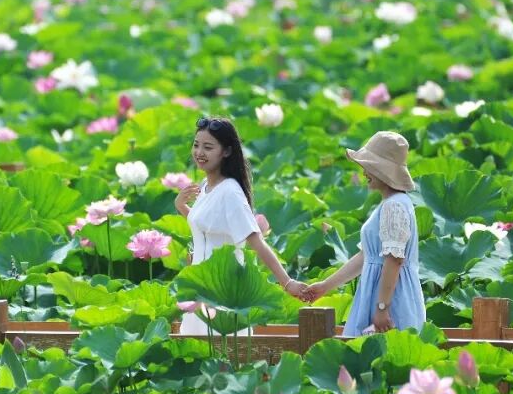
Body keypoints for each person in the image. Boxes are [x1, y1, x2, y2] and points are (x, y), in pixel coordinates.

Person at [174, 116, 304, 335]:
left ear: (226, 151)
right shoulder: (207, 186)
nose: (199, 153)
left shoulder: (231, 192)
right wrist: (181, 206)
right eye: (196, 145)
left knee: (224, 356)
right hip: (199, 286)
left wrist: (287, 282)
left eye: (208, 147)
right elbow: (206, 226)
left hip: (223, 288)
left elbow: (256, 241)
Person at [301, 131, 425, 336]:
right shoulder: (390, 203)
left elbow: (394, 260)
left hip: (391, 299)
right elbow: (366, 256)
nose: (364, 171)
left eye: (369, 166)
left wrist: (382, 308)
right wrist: (325, 286)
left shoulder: (394, 206)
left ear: (382, 170)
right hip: (379, 295)